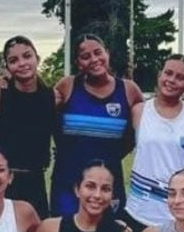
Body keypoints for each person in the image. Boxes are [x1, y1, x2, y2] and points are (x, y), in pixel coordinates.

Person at [50, 34, 144, 216]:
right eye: (86, 56)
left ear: (107, 53)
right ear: (78, 63)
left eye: (98, 52)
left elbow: (148, 125)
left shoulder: (129, 90)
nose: (94, 59)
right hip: (67, 182)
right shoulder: (67, 86)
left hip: (108, 184)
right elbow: (38, 112)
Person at [0, 36, 55, 219]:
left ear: (37, 58)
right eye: (13, 60)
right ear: (7, 67)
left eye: (27, 56)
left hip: (36, 181)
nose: (22, 63)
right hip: (1, 181)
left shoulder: (53, 97)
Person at [122, 54, 184, 232]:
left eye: (180, 77)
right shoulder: (139, 111)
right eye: (168, 73)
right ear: (160, 75)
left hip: (177, 214)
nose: (172, 80)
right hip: (138, 211)